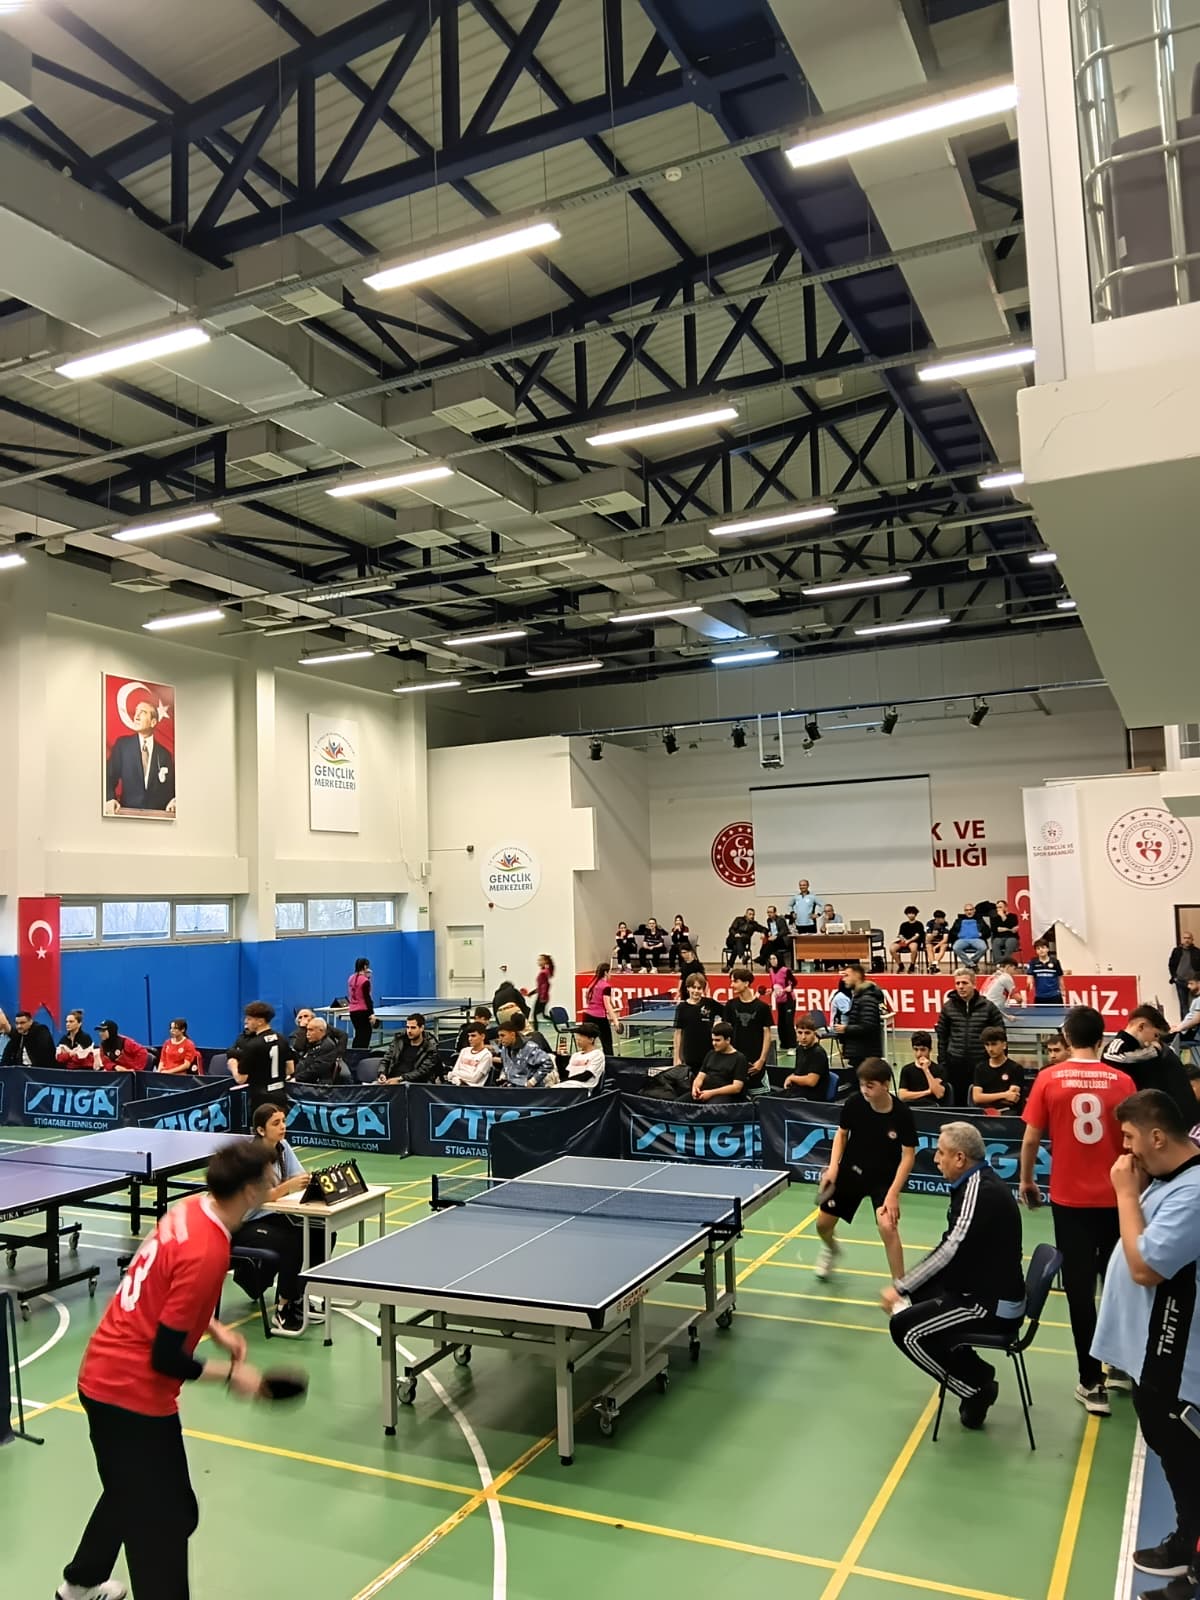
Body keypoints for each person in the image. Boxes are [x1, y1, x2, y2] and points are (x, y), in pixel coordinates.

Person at [57, 1141, 271, 1600]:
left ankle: (80, 1584)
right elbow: (166, 1358)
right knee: (165, 1520)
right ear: (250, 1191)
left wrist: (212, 1326)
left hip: (103, 1376)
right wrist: (234, 1377)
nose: (274, 1185)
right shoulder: (208, 1250)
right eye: (269, 1180)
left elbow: (159, 1280)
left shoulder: (190, 1210)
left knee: (129, 1488)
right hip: (130, 1396)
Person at [1093, 1090, 1200, 1600]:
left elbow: (1146, 1267)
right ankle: (1185, 1541)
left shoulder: (1194, 1193)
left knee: (1187, 1459)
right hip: (1154, 1353)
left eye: (1130, 1137)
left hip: (1177, 1358)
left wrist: (1125, 1195)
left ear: (1157, 1137)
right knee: (1173, 1454)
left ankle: (1194, 1565)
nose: (1126, 1150)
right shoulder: (1170, 1178)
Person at [1020, 1004, 1137, 1416]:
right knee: (1117, 1284)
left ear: (1067, 1039)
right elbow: (1133, 1140)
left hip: (1070, 1203)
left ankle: (1092, 1382)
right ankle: (1121, 1367)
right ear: (1102, 1039)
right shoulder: (1122, 1081)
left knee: (1079, 1291)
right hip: (1116, 1200)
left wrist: (1027, 1181)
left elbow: (1031, 1139)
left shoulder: (1049, 1078)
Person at [883, 1122, 1026, 1430]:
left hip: (991, 1305)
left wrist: (901, 1286)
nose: (936, 1159)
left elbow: (951, 1248)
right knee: (920, 1298)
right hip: (980, 1287)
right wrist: (913, 1288)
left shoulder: (979, 1191)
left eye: (941, 1153)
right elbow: (955, 1247)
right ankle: (974, 1370)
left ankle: (975, 1389)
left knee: (905, 1330)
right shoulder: (975, 1183)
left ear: (960, 1158)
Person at [816, 1058, 917, 1282]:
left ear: (886, 1084)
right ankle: (831, 1249)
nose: (864, 1090)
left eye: (870, 1086)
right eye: (862, 1084)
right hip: (852, 1170)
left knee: (888, 1227)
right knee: (822, 1225)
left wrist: (893, 1194)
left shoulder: (902, 1114)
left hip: (884, 1178)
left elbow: (909, 1156)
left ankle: (900, 1288)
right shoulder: (855, 1103)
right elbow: (842, 1134)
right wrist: (833, 1167)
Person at [234, 1101, 327, 1334]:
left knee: (321, 1231)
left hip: (273, 1215)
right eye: (276, 1123)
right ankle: (283, 1308)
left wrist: (307, 1182)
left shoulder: (282, 1147)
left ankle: (299, 1295)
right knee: (292, 1242)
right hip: (245, 1223)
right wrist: (287, 1187)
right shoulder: (249, 1157)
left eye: (284, 1121)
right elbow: (258, 1198)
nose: (283, 1126)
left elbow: (298, 1178)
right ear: (260, 1130)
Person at [1104, 1004, 1196, 1122]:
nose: (1156, 1040)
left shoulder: (1155, 1051)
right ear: (1141, 1026)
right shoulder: (1118, 1047)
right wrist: (1151, 1052)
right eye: (1156, 1035)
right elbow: (1113, 1056)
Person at [936, 970, 1005, 1105]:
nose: (961, 986)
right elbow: (942, 1037)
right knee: (958, 1103)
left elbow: (1001, 1035)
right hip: (955, 1064)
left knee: (980, 1102)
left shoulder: (988, 1007)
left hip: (981, 1063)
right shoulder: (948, 1008)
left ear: (974, 984)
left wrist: (1001, 1062)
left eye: (964, 983)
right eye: (957, 983)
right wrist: (942, 1062)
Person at [104, 698, 176, 816]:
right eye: (136, 711)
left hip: (157, 818)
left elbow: (171, 788)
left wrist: (174, 800)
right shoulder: (123, 746)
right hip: (127, 815)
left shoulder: (164, 754)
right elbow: (108, 777)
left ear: (153, 722)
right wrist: (109, 798)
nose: (136, 716)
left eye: (142, 712)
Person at [228, 1002, 293, 1109]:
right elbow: (290, 1069)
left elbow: (241, 1079)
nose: (245, 1021)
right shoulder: (282, 1039)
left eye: (249, 1019)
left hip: (260, 1098)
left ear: (260, 1021)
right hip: (280, 1094)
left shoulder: (252, 1045)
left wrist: (233, 1065)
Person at [724, 966, 773, 1090]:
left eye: (735, 981)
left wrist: (761, 1060)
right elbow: (726, 1034)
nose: (731, 985)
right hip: (735, 1060)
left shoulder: (762, 1007)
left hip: (755, 1060)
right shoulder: (730, 1005)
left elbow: (767, 1035)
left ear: (746, 983)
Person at [836, 962, 885, 1071]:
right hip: (859, 1053)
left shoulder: (866, 999)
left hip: (865, 1055)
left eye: (846, 975)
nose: (843, 979)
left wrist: (846, 1029)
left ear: (857, 975)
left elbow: (868, 1026)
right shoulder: (859, 997)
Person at [672, 973, 722, 1074]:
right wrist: (676, 1058)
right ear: (688, 988)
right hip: (690, 1054)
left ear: (703, 989)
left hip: (709, 1054)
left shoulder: (710, 1003)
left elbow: (727, 1013)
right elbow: (678, 1033)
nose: (696, 991)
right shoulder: (682, 1008)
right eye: (693, 987)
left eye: (699, 988)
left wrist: (718, 1023)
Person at [971, 1026, 1026, 1114]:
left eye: (994, 1044)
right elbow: (977, 1098)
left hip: (1007, 1113)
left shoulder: (1015, 1068)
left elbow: (1011, 1099)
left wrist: (986, 1097)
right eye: (987, 1045)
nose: (990, 1049)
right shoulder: (980, 1068)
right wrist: (1004, 1094)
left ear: (1004, 1045)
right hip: (984, 1113)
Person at [691, 1020, 748, 1102]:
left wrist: (711, 1093)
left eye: (717, 1040)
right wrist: (695, 1088)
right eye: (713, 1040)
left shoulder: (739, 1058)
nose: (714, 1043)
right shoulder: (710, 1054)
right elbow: (700, 1076)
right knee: (678, 1103)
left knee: (711, 1108)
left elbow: (736, 1087)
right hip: (704, 1091)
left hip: (724, 1096)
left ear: (728, 1040)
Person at [497, 1012, 558, 1087]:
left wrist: (532, 1081)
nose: (500, 1039)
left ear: (512, 1034)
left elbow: (548, 1063)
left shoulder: (529, 1047)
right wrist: (503, 1076)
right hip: (512, 1087)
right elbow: (506, 1066)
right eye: (499, 1036)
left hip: (529, 1089)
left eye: (502, 1035)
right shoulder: (504, 1049)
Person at [378, 1014, 443, 1084]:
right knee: (372, 1086)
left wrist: (400, 1079)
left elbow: (422, 1071)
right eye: (407, 1027)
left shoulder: (430, 1046)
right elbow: (386, 1060)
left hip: (413, 1083)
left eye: (413, 1028)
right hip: (390, 1080)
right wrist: (382, 1073)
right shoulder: (399, 1040)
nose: (409, 1031)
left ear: (421, 1028)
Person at [779, 1018, 831, 1099]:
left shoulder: (818, 1053)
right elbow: (798, 1072)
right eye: (800, 1033)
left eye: (807, 1033)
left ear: (814, 1033)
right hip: (798, 1091)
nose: (803, 1037)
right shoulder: (799, 1049)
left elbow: (811, 1081)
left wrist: (791, 1078)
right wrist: (791, 1077)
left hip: (811, 1097)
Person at [292, 1016, 347, 1084]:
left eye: (311, 1030)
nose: (307, 1034)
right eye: (307, 1030)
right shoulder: (312, 1043)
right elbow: (298, 1049)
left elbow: (316, 1069)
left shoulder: (327, 1046)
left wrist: (296, 1079)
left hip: (317, 1085)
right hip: (304, 1080)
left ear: (321, 1030)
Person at [582, 962, 621, 1057]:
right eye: (610, 972)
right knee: (607, 1045)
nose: (611, 974)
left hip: (587, 1017)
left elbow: (588, 999)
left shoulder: (592, 984)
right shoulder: (606, 986)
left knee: (587, 1046)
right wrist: (616, 1022)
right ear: (606, 973)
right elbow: (607, 1005)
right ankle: (610, 1064)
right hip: (599, 1019)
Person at [898, 1031, 948, 1105]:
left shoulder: (940, 1069)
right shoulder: (906, 1070)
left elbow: (939, 1094)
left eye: (923, 1050)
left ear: (930, 1050)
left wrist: (926, 1070)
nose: (919, 1054)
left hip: (932, 1108)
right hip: (913, 1108)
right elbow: (902, 1096)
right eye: (916, 1049)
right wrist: (929, 1091)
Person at [446, 1022, 495, 1087]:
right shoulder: (464, 1051)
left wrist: (455, 1074)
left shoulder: (486, 1055)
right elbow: (454, 1070)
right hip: (456, 1085)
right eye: (469, 1036)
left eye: (473, 1036)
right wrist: (456, 1077)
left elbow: (474, 1078)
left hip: (472, 1090)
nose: (470, 1039)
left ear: (482, 1036)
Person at [560, 1020, 606, 1089]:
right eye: (578, 1035)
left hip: (583, 1087)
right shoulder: (575, 1055)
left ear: (591, 1040)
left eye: (581, 1036)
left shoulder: (597, 1055)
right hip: (569, 1085)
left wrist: (566, 1081)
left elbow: (586, 1076)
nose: (578, 1038)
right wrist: (559, 1058)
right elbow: (566, 1073)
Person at [768, 950, 797, 1051]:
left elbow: (794, 982)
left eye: (774, 958)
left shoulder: (785, 970)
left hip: (789, 1000)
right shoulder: (771, 971)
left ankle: (793, 1045)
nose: (772, 961)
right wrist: (771, 990)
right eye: (771, 959)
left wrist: (790, 987)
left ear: (778, 959)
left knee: (788, 1022)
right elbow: (773, 984)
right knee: (781, 1023)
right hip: (779, 1000)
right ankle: (784, 1044)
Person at [1169, 930, 1200, 1020]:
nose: (1187, 940)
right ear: (1182, 940)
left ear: (1192, 940)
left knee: (1195, 1004)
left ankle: (1195, 1023)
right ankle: (1185, 1025)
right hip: (1180, 982)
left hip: (1193, 982)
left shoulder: (1197, 952)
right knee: (1183, 1005)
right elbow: (1171, 965)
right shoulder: (1176, 951)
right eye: (1185, 938)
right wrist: (1174, 977)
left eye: (1189, 938)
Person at [346, 957, 376, 1050]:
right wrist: (371, 1013)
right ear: (365, 966)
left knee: (359, 1034)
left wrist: (368, 977)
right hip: (363, 1011)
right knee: (365, 1034)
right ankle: (362, 1054)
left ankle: (354, 1054)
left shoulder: (351, 978)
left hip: (353, 1011)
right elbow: (367, 998)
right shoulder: (365, 981)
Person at [949, 903, 989, 969]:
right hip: (962, 940)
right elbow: (952, 931)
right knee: (956, 947)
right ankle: (971, 964)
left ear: (974, 910)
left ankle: (970, 963)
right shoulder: (959, 920)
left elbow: (987, 931)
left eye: (970, 910)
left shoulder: (980, 920)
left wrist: (982, 934)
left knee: (983, 948)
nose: (969, 912)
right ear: (964, 911)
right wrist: (957, 934)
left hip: (976, 939)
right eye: (967, 910)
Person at [1028, 939, 1066, 1005]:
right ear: (1036, 951)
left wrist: (1063, 991)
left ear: (1047, 949)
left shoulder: (1055, 962)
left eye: (1043, 947)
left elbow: (1060, 978)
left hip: (1055, 996)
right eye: (1038, 948)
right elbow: (1030, 976)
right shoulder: (1033, 962)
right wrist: (1029, 983)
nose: (1041, 950)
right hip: (1040, 997)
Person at [524, 953, 554, 1029]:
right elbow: (540, 987)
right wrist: (531, 993)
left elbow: (545, 986)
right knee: (543, 1015)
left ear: (545, 961)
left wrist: (542, 998)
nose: (538, 961)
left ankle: (536, 1031)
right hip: (544, 997)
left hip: (542, 997)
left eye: (540, 960)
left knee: (534, 1015)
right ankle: (556, 1021)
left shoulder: (543, 972)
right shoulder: (546, 971)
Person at [989, 899, 1021, 966]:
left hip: (1011, 937)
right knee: (996, 942)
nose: (998, 909)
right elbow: (994, 929)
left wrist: (1003, 916)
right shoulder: (995, 918)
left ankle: (1004, 963)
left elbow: (1012, 926)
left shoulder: (1013, 916)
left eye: (1000, 907)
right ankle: (1000, 963)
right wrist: (1008, 929)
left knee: (1010, 942)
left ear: (1006, 907)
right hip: (999, 937)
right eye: (997, 907)